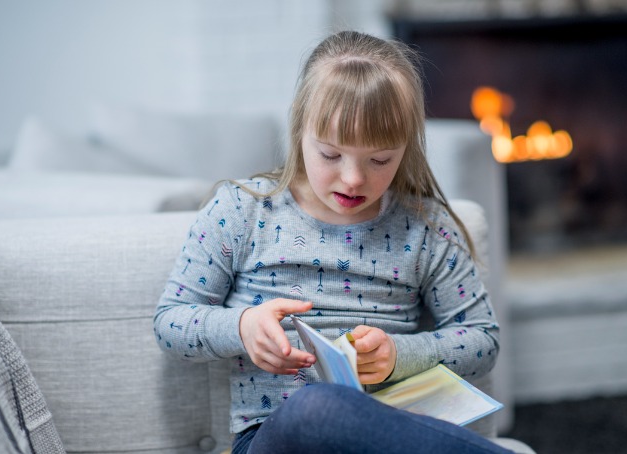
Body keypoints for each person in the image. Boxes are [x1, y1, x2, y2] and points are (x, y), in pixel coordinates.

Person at [154, 30, 510, 454]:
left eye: (380, 159)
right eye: (330, 154)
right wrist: (243, 327)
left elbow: (482, 339)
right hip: (276, 438)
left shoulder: (427, 228)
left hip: (386, 434)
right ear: (299, 128)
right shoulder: (242, 211)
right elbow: (170, 322)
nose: (354, 178)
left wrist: (399, 355)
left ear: (406, 148)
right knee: (315, 409)